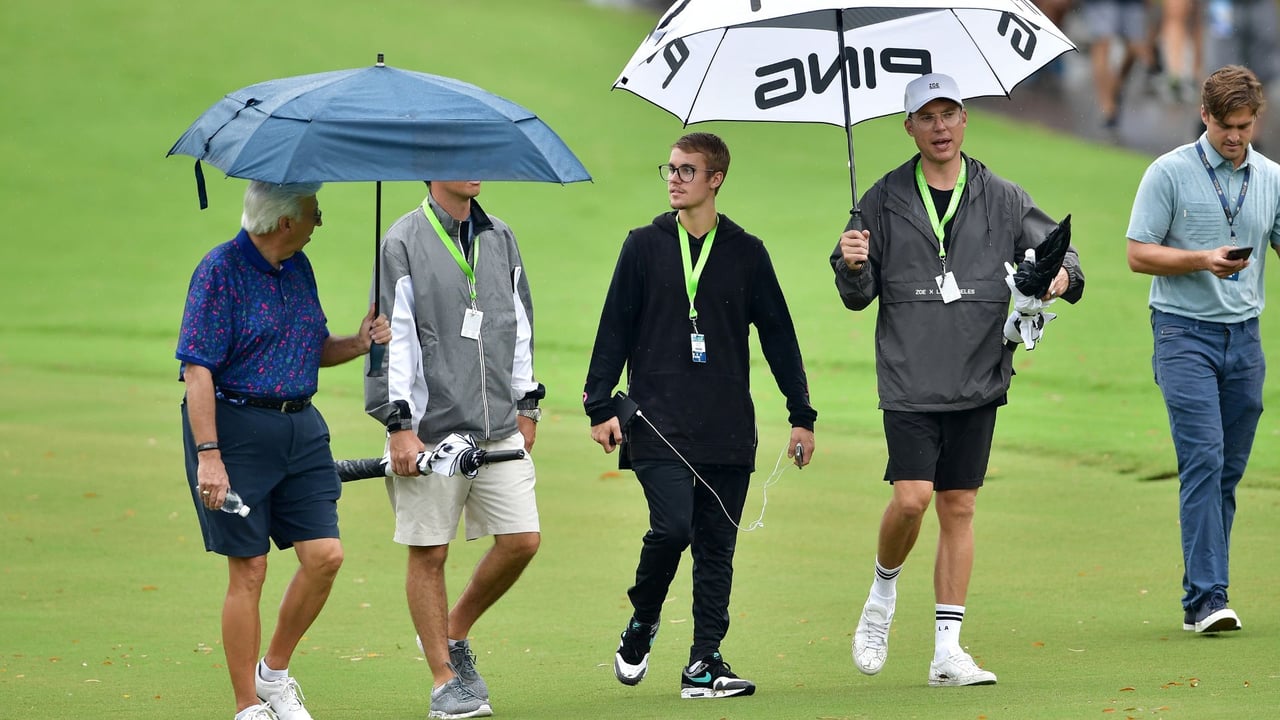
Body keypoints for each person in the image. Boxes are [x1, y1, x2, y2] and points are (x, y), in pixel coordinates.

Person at [830, 73, 1084, 687]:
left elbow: (1063, 256)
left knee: (959, 505)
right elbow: (857, 295)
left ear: (965, 120)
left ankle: (948, 652)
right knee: (913, 497)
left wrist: (1059, 279)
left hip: (979, 372)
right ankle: (882, 593)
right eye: (927, 117)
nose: (940, 127)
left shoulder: (1002, 195)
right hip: (911, 376)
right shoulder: (883, 199)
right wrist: (852, 264)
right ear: (909, 127)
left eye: (951, 114)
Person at [583, 132, 817, 700]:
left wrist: (801, 414)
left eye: (687, 170)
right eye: (670, 168)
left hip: (728, 427)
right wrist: (599, 402)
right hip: (656, 422)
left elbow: (780, 337)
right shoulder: (641, 246)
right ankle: (641, 623)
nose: (674, 178)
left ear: (716, 179)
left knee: (717, 549)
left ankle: (704, 663)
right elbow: (614, 327)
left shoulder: (747, 252)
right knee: (673, 528)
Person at [177, 181, 391, 720]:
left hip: (301, 429)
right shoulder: (219, 271)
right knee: (248, 569)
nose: (320, 222)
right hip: (236, 430)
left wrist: (360, 341)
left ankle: (272, 675)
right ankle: (247, 706)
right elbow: (196, 369)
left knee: (325, 556)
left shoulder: (298, 268)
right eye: (314, 213)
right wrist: (209, 455)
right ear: (284, 222)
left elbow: (313, 348)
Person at [364, 180, 543, 720]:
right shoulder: (401, 240)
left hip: (498, 425)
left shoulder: (501, 236)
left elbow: (520, 323)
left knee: (522, 540)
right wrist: (396, 423)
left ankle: (453, 631)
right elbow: (390, 336)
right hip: (430, 430)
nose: (475, 169)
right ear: (432, 169)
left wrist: (527, 403)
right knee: (430, 552)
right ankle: (445, 681)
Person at [1126, 65, 1279, 634]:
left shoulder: (1271, 177)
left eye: (1245, 126)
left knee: (1228, 472)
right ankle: (1207, 599)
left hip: (1245, 340)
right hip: (1182, 333)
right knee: (1204, 461)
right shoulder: (1168, 173)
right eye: (1226, 126)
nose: (1235, 137)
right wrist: (1202, 259)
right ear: (1204, 115)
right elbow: (1138, 253)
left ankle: (1206, 592)